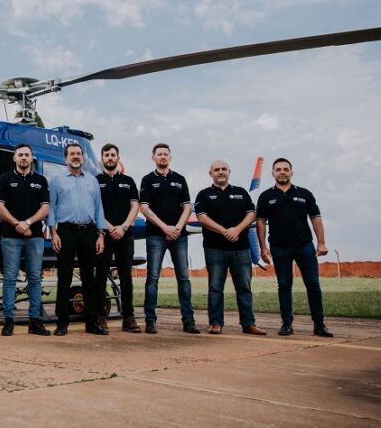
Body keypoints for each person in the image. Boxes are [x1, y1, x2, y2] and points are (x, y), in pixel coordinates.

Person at [256, 158, 332, 337]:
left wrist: (321, 242)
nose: (282, 172)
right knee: (284, 285)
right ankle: (287, 324)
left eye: (285, 169)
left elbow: (316, 218)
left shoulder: (305, 194)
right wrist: (263, 247)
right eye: (278, 169)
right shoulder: (266, 196)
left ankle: (319, 324)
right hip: (279, 247)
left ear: (291, 172)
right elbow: (261, 222)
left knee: (313, 284)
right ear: (273, 173)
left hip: (304, 246)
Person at [194, 160, 266, 335]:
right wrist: (225, 231)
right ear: (210, 173)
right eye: (216, 170)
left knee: (244, 287)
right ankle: (216, 323)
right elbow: (202, 218)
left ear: (229, 172)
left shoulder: (241, 193)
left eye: (223, 169)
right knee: (216, 287)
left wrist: (237, 230)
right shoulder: (203, 195)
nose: (220, 172)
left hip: (241, 249)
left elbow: (251, 214)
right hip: (214, 248)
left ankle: (248, 323)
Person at [47, 143, 108, 336]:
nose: (76, 156)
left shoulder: (92, 181)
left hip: (89, 232)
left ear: (83, 157)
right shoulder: (56, 181)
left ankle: (92, 322)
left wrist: (101, 234)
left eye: (79, 154)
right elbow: (52, 208)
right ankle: (62, 323)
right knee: (64, 278)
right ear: (66, 158)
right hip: (65, 231)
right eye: (72, 154)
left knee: (88, 278)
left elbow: (99, 209)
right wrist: (53, 233)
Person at [139, 143, 199, 334]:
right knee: (153, 278)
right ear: (153, 158)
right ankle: (150, 320)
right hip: (156, 236)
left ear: (170, 157)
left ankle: (188, 321)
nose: (163, 157)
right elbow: (144, 208)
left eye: (166, 154)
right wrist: (165, 227)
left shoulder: (180, 179)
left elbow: (187, 207)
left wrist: (178, 228)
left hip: (179, 236)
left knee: (183, 278)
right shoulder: (147, 180)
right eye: (159, 154)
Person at [0, 143, 51, 336]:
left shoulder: (41, 180)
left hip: (34, 236)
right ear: (14, 158)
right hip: (10, 237)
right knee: (10, 278)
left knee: (35, 278)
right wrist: (17, 224)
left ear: (32, 158)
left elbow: (45, 208)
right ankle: (8, 319)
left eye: (27, 154)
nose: (24, 157)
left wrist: (27, 223)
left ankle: (35, 320)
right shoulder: (4, 179)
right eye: (20, 155)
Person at [96, 143, 142, 333]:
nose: (110, 158)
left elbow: (135, 206)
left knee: (126, 277)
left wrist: (122, 227)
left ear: (118, 158)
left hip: (125, 235)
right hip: (104, 235)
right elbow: (95, 207)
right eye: (106, 155)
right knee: (100, 276)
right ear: (102, 159)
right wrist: (108, 227)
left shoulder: (129, 181)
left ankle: (128, 317)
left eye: (113, 155)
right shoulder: (95, 181)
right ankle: (100, 316)